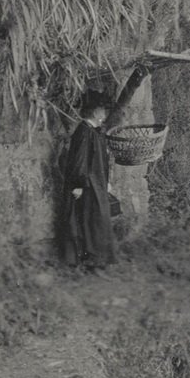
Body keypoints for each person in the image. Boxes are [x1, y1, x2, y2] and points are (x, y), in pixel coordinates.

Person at [60, 89, 116, 270]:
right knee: (87, 223)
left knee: (97, 222)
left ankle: (96, 261)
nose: (104, 114)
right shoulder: (84, 132)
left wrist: (105, 180)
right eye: (102, 110)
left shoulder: (94, 132)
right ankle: (89, 261)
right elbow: (79, 160)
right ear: (94, 111)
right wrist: (78, 184)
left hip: (95, 184)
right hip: (86, 185)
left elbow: (100, 161)